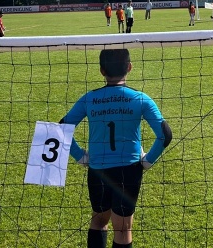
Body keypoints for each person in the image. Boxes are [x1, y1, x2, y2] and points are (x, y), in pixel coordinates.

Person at [59, 48, 172, 248]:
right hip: (129, 171)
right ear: (129, 67)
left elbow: (62, 128)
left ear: (102, 71)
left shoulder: (89, 98)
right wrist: (148, 161)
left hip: (98, 171)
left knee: (98, 221)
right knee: (123, 229)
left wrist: (80, 156)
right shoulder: (141, 98)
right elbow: (165, 134)